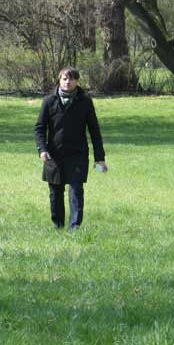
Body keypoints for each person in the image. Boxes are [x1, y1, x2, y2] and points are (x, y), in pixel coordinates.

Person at [34, 67, 107, 231]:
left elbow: (94, 131)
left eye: (72, 79)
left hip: (77, 154)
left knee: (76, 190)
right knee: (55, 192)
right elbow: (39, 128)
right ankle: (58, 225)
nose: (68, 82)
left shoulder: (85, 101)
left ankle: (74, 227)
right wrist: (42, 149)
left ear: (77, 81)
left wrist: (99, 158)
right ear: (59, 80)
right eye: (65, 79)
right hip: (54, 155)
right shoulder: (49, 101)